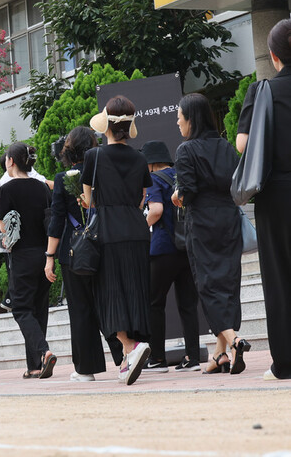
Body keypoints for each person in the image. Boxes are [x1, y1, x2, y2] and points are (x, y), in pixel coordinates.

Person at [172, 93, 247, 375]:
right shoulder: (226, 147)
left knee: (207, 284)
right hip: (228, 219)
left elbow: (188, 192)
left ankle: (234, 340)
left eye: (179, 117)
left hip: (202, 223)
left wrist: (177, 195)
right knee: (227, 283)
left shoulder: (185, 150)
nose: (177, 121)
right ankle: (220, 355)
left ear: (191, 119)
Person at [84, 95, 153, 386]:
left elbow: (88, 200)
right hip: (137, 231)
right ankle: (129, 358)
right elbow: (143, 198)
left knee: (109, 294)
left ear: (107, 126)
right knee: (135, 291)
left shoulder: (94, 156)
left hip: (108, 232)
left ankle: (130, 347)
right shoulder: (140, 157)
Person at [45, 126, 122, 381]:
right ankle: (125, 359)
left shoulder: (62, 178)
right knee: (108, 304)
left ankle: (86, 370)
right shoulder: (103, 171)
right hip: (105, 247)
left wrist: (49, 258)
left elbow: (56, 220)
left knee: (81, 310)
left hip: (74, 252)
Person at [237, 18, 291, 380]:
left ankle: (286, 361)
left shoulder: (263, 91)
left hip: (278, 193)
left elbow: (244, 146)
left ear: (273, 57)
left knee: (280, 276)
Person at [139, 140, 201, 373]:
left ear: (151, 163)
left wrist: (142, 227)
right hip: (187, 246)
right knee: (188, 304)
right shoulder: (179, 175)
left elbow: (156, 210)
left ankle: (157, 358)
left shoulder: (154, 179)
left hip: (163, 249)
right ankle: (192, 358)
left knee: (155, 303)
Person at [0, 144, 55, 379]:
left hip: (21, 256)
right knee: (39, 308)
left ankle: (44, 351)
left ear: (10, 161)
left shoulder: (6, 190)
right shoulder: (42, 187)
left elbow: (4, 229)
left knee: (20, 308)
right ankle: (35, 366)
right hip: (44, 253)